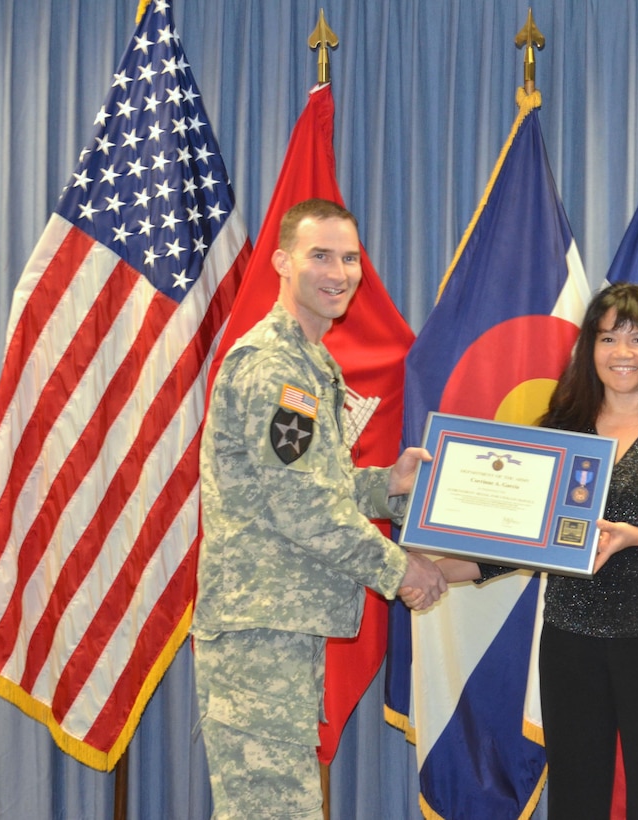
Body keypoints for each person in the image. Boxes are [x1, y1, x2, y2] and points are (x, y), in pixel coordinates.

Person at [426, 282, 638, 819]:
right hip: (572, 641)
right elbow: (515, 542)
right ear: (589, 349)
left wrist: (634, 536)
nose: (622, 353)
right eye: (608, 338)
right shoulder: (558, 433)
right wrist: (427, 570)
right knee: (575, 799)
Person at [193, 198, 447, 819]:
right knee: (272, 811)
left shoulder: (311, 363)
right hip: (260, 633)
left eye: (351, 258)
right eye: (321, 255)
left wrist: (387, 482)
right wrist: (402, 571)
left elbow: (307, 484)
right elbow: (304, 510)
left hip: (277, 627)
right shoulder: (277, 369)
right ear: (282, 261)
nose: (339, 272)